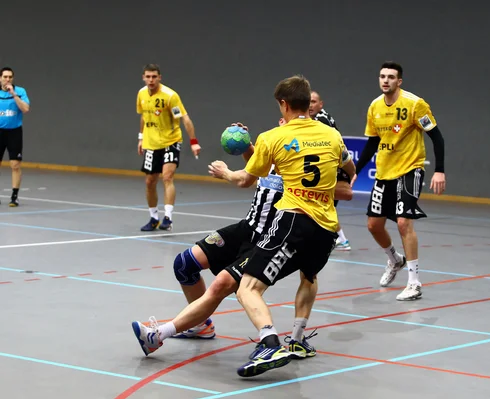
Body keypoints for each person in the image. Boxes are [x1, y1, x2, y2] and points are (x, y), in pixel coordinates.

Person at [131, 120, 353, 364]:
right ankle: (200, 325)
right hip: (247, 226)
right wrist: (246, 143)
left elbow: (246, 179)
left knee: (221, 285)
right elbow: (257, 164)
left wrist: (226, 172)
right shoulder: (273, 147)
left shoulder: (297, 161)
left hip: (269, 236)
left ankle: (159, 334)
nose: (281, 122)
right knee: (184, 264)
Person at [208, 75, 355, 377]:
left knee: (248, 287)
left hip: (293, 221)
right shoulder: (331, 135)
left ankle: (269, 341)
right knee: (309, 275)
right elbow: (349, 168)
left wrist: (224, 172)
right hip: (326, 227)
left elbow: (245, 180)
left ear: (284, 105)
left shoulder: (273, 137)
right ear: (307, 103)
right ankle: (298, 340)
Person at [351, 61, 446, 301]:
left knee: (404, 222)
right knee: (374, 225)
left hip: (410, 169)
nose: (385, 80)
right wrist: (356, 171)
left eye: (391, 77)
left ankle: (414, 282)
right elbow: (372, 142)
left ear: (399, 81)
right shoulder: (374, 107)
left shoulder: (415, 104)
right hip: (384, 172)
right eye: (382, 76)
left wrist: (440, 170)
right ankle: (395, 260)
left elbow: (437, 137)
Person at [136, 63, 201, 231]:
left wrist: (193, 142)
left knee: (167, 177)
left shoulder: (170, 96)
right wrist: (141, 138)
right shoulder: (141, 94)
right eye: (148, 77)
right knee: (150, 181)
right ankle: (153, 218)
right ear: (143, 77)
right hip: (151, 144)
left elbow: (185, 119)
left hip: (171, 141)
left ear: (159, 78)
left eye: (154, 77)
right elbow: (144, 116)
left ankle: (168, 218)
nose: (151, 80)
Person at [310, 90, 352, 251]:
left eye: (314, 102)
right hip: (335, 170)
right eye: (308, 101)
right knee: (325, 207)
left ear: (321, 104)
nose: (310, 105)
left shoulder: (321, 120)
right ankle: (340, 239)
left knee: (322, 206)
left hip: (336, 171)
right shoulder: (320, 118)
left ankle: (336, 239)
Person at [0, 67, 30, 207]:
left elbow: (25, 109)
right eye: (5, 77)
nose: (8, 79)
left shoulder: (20, 91)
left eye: (10, 77)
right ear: (0, 78)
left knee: (15, 164)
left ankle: (14, 196)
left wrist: (14, 95)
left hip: (14, 132)